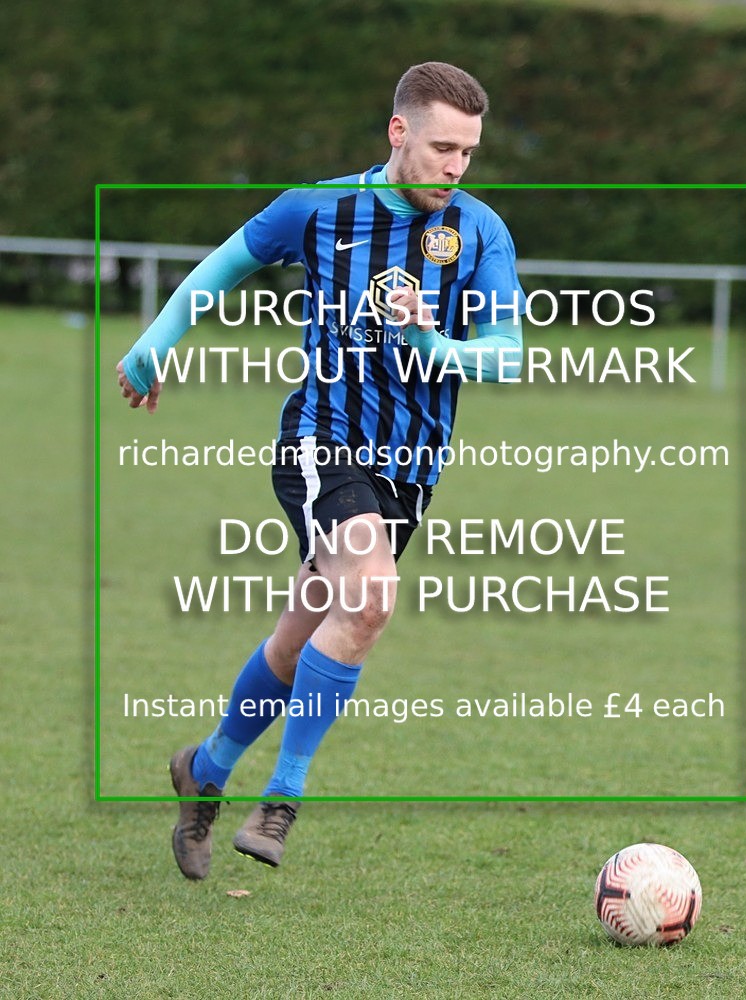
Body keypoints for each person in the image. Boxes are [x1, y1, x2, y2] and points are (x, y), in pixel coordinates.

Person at [117, 61, 526, 880]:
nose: (456, 167)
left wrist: (431, 342)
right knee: (370, 596)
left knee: (305, 630)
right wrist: (154, 344)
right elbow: (220, 270)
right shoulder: (315, 207)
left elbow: (508, 355)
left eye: (469, 153)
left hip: (409, 469)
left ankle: (205, 768)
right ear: (398, 132)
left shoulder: (479, 231)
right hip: (323, 440)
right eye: (443, 147)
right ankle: (284, 796)